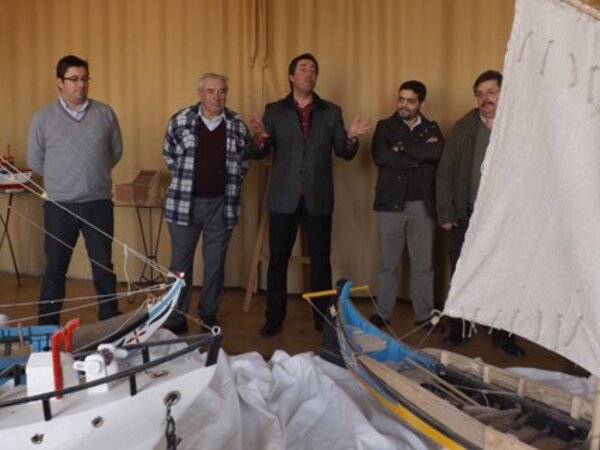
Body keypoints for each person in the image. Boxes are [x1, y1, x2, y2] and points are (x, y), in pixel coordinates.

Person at [250, 53, 370, 337]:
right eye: (303, 69)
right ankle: (274, 318)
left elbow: (343, 152)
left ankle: (323, 319)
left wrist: (351, 137)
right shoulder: (274, 110)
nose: (309, 73)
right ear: (291, 77)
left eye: (313, 69)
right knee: (277, 261)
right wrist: (260, 139)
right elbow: (260, 153)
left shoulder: (331, 111)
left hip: (318, 197)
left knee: (320, 261)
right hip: (283, 197)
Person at [27, 55, 122, 325]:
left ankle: (110, 324)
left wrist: (91, 175)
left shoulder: (105, 114)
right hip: (59, 206)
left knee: (103, 268)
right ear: (59, 82)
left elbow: (115, 152)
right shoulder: (43, 117)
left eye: (84, 79)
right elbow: (35, 160)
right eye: (73, 79)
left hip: (98, 204)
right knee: (55, 270)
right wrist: (64, 179)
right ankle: (47, 328)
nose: (80, 85)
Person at [436, 70, 525, 356]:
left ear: (503, 93)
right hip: (466, 215)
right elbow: (445, 172)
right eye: (480, 94)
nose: (485, 99)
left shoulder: (519, 126)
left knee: (503, 276)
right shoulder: (464, 127)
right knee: (461, 274)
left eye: (491, 92)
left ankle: (502, 333)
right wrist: (445, 212)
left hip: (504, 218)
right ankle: (459, 327)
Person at [162, 73, 251, 334]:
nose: (216, 96)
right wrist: (188, 179)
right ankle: (175, 316)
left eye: (222, 91)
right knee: (180, 265)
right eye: (211, 91)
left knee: (215, 265)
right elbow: (168, 154)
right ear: (200, 94)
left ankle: (208, 314)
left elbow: (245, 162)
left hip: (221, 206)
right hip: (184, 205)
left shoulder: (237, 125)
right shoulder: (180, 120)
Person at [369, 80, 445, 334]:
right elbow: (381, 156)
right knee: (387, 264)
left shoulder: (432, 128)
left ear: (421, 103)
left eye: (410, 101)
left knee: (423, 265)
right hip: (390, 205)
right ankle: (383, 314)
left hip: (422, 205)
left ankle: (423, 315)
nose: (404, 105)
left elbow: (437, 153)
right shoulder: (385, 126)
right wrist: (418, 156)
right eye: (401, 99)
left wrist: (401, 148)